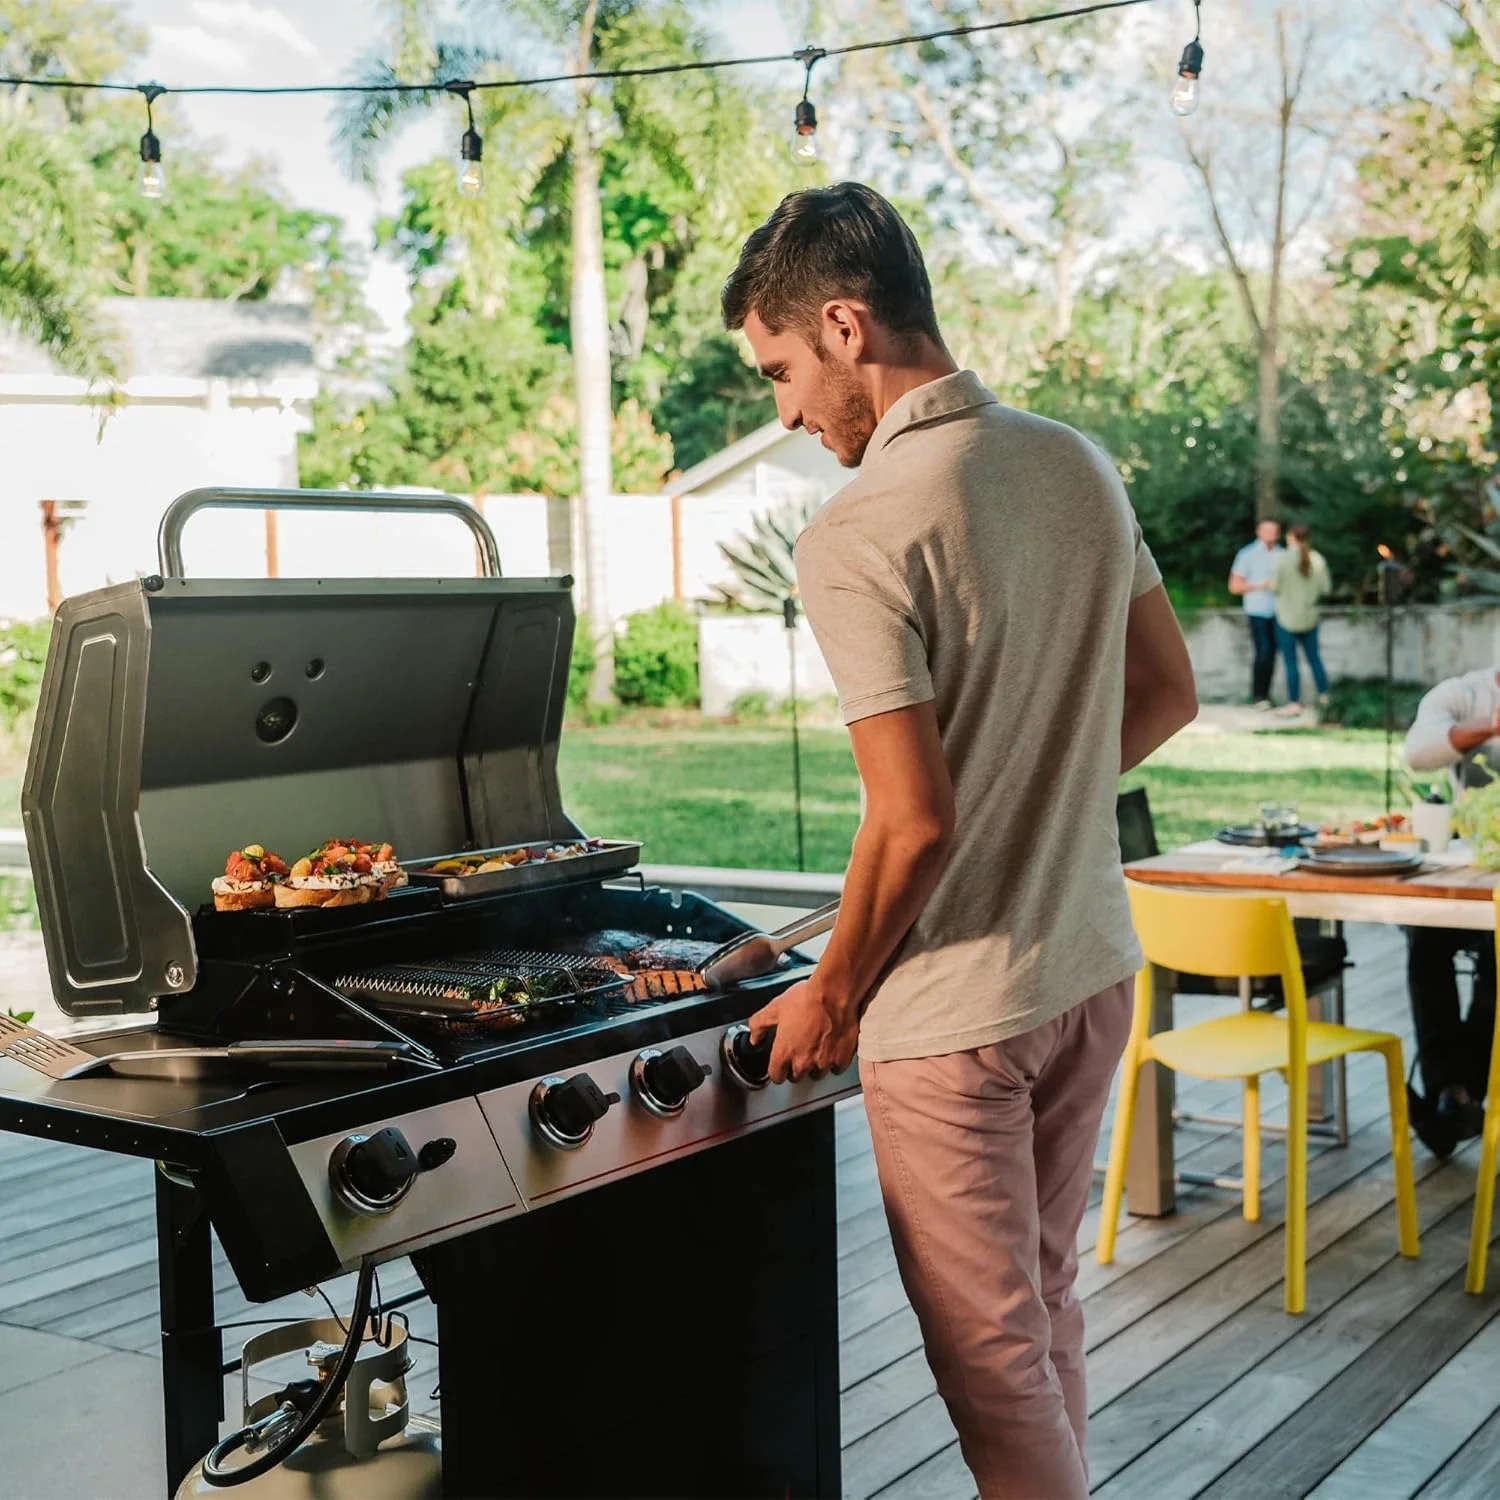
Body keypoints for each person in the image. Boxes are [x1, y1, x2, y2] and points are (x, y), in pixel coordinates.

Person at [721, 182, 1198, 1500]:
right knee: (1043, 1313)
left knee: (990, 1362)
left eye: (782, 375)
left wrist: (832, 993)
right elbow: (1168, 692)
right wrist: (1032, 792)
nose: (789, 415)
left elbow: (915, 819)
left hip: (960, 1013)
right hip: (1091, 969)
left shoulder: (860, 528)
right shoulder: (1075, 461)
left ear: (842, 324)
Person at [1403, 667, 1500, 1156]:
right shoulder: (1465, 694)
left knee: (1498, 957)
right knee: (1425, 936)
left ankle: (1461, 1094)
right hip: (1472, 864)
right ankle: (1452, 1092)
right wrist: (1489, 727)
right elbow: (1417, 753)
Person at [1271, 523, 1332, 717]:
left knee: (1291, 662)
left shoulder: (1282, 559)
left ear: (1290, 537)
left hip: (1286, 617)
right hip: (1310, 616)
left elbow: (1275, 586)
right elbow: (1326, 589)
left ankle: (1294, 702)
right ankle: (1324, 697)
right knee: (1314, 659)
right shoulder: (1318, 559)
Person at [1229, 519, 1283, 708]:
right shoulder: (1247, 554)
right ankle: (1259, 695)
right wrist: (1261, 585)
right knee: (1263, 651)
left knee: (1273, 653)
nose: (1271, 534)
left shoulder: (1282, 555)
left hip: (1278, 612)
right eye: (1267, 530)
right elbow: (1234, 586)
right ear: (1258, 532)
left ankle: (1266, 695)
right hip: (1257, 610)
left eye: (1274, 531)